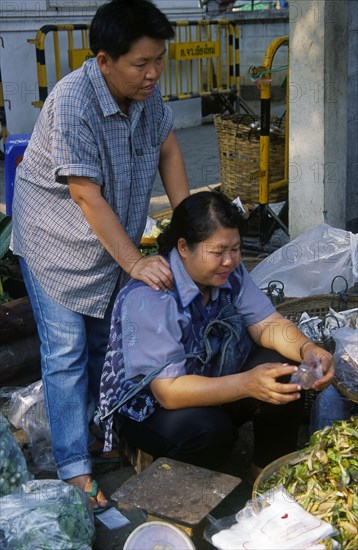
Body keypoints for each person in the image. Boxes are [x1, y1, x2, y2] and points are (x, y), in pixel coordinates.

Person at [11, 0, 189, 512]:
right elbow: (86, 194)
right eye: (141, 63)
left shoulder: (147, 97)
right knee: (65, 355)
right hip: (55, 246)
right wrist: (135, 262)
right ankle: (73, 470)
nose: (153, 73)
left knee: (101, 344)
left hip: (107, 243)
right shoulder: (71, 103)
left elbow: (170, 149)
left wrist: (189, 228)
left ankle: (91, 431)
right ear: (105, 59)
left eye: (159, 60)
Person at [98, 191, 335, 480]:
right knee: (211, 432)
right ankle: (171, 488)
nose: (230, 260)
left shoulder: (229, 274)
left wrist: (307, 349)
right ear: (184, 247)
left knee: (287, 375)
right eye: (218, 251)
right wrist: (247, 384)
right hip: (149, 408)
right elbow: (168, 392)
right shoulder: (151, 296)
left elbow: (268, 323)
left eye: (235, 249)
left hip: (212, 379)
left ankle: (265, 480)